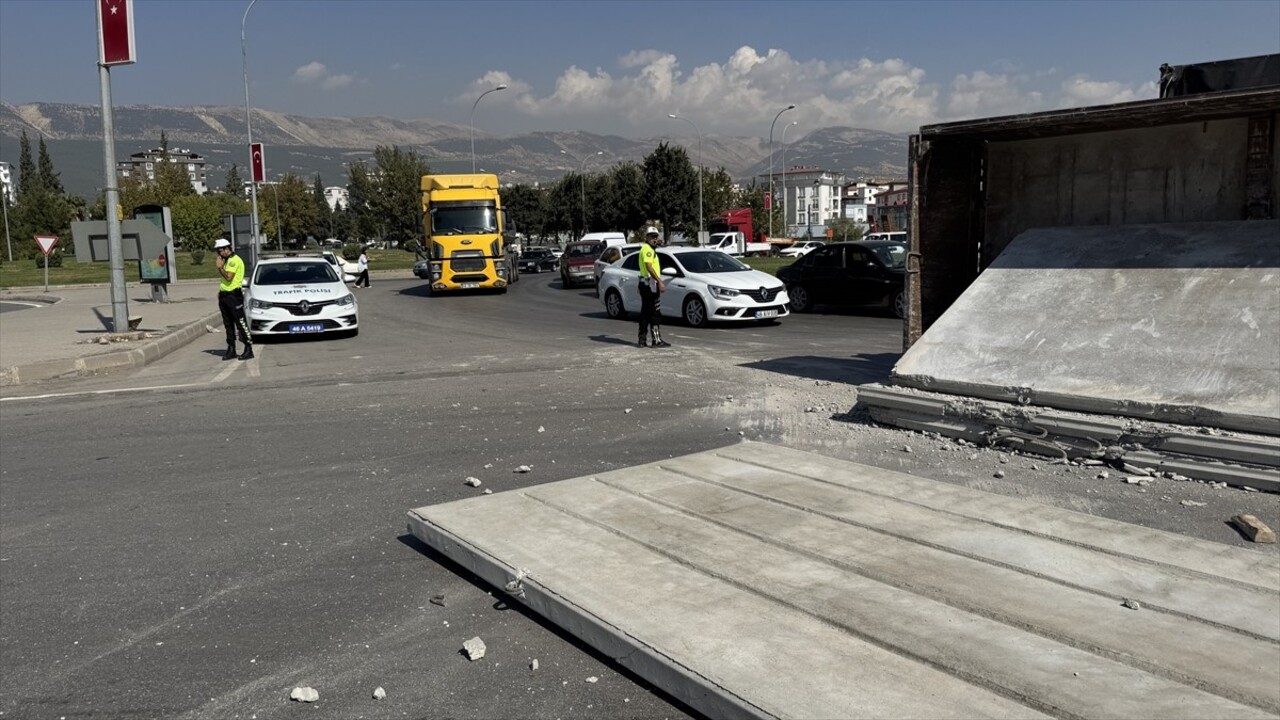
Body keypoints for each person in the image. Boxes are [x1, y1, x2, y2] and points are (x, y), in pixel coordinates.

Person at [213, 238, 253, 361]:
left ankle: (248, 348)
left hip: (234, 296)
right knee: (228, 324)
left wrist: (220, 268)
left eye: (220, 251)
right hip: (225, 296)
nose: (219, 254)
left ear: (227, 249)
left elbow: (229, 277)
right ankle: (231, 348)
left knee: (240, 323)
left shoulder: (234, 260)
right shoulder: (227, 260)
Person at [637, 226, 671, 348]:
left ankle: (642, 340)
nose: (654, 239)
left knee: (645, 313)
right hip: (650, 284)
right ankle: (656, 340)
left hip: (645, 283)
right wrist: (660, 281)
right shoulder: (648, 250)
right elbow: (649, 266)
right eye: (652, 236)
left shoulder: (648, 248)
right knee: (654, 312)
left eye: (656, 236)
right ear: (647, 237)